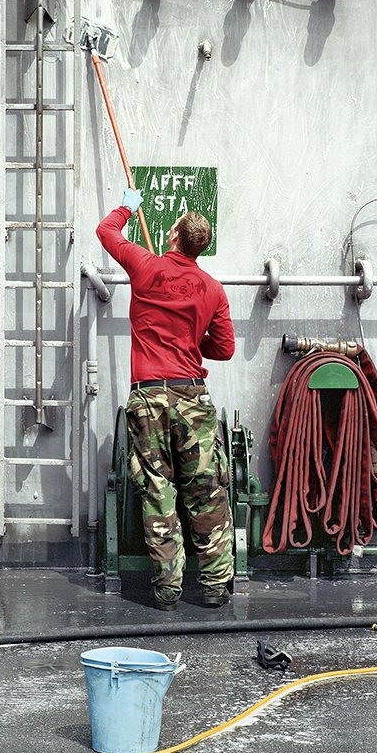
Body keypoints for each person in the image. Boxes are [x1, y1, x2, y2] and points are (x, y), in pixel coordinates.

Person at [98, 187, 237, 609]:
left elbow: (105, 231)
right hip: (192, 397)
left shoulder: (145, 266)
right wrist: (192, 342)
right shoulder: (212, 288)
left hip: (149, 397)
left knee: (158, 490)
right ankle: (214, 587)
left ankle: (167, 588)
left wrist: (128, 207)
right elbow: (225, 348)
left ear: (173, 235)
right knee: (205, 492)